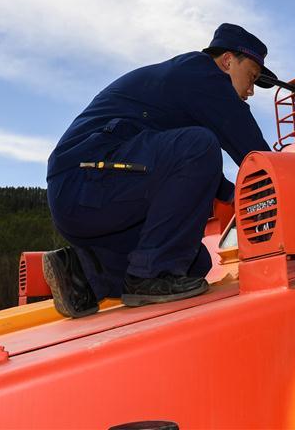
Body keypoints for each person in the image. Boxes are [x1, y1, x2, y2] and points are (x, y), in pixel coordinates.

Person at [43, 23, 274, 316]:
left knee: (194, 264)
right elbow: (254, 151)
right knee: (201, 145)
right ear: (228, 61)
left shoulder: (184, 99)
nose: (251, 91)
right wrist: (291, 187)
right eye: (251, 77)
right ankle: (148, 276)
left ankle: (84, 274)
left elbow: (204, 179)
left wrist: (238, 196)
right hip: (85, 177)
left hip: (95, 194)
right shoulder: (202, 73)